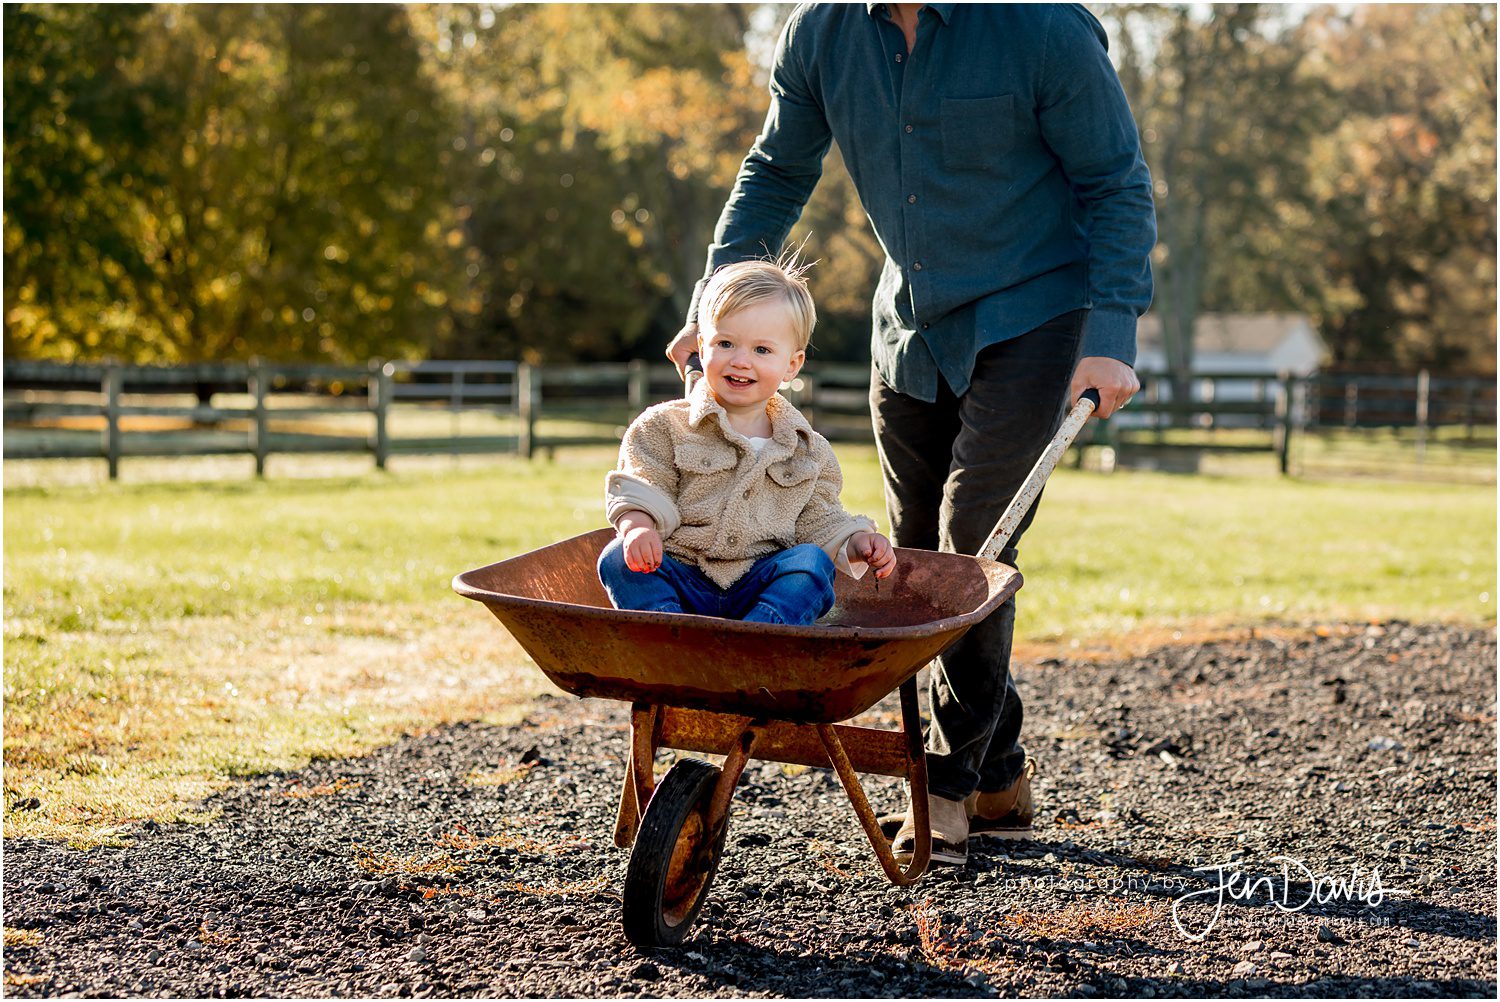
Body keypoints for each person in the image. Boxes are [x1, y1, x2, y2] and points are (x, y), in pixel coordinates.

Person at [666, 4, 1156, 865]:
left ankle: (949, 783)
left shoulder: (1042, 29)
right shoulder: (822, 34)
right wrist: (716, 305)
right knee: (909, 554)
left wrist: (1111, 331)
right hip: (911, 328)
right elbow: (777, 170)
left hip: (1037, 317)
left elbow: (1114, 180)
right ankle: (999, 766)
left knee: (974, 543)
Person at [600, 258, 897, 625]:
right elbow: (644, 485)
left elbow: (819, 520)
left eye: (762, 350)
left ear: (792, 364)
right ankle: (673, 640)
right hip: (683, 577)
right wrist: (638, 526)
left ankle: (756, 638)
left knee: (811, 564)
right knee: (616, 559)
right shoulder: (664, 426)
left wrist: (854, 541)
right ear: (702, 348)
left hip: (760, 586)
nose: (740, 361)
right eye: (725, 343)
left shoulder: (808, 450)